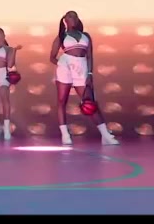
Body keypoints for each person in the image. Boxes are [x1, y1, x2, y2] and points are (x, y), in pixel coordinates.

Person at [49, 10, 119, 145]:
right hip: (65, 66)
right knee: (62, 101)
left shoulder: (85, 36)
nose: (73, 18)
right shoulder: (61, 36)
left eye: (75, 16)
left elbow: (89, 56)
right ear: (65, 20)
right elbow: (51, 57)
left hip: (81, 67)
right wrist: (62, 64)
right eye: (70, 16)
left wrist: (90, 74)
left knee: (90, 103)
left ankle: (106, 136)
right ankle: (65, 134)